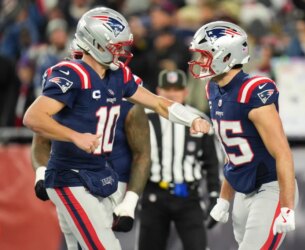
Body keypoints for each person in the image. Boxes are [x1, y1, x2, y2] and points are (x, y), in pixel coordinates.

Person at [23, 7, 210, 250]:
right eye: (115, 46)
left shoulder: (118, 75)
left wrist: (191, 120)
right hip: (69, 175)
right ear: (95, 43)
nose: (121, 52)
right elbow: (33, 117)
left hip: (102, 172)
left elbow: (158, 103)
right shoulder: (72, 74)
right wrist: (75, 136)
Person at [188, 21, 299, 249]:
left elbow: (283, 153)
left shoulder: (253, 90)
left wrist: (286, 207)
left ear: (226, 57)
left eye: (204, 55)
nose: (199, 62)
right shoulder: (213, 88)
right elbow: (234, 154)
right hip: (242, 190)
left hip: (270, 187)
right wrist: (224, 198)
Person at [138, 69, 221, 250]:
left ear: (185, 92)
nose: (172, 94)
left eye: (177, 89)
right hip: (154, 194)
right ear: (158, 91)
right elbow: (132, 158)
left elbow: (211, 163)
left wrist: (215, 195)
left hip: (188, 195)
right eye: (167, 89)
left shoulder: (199, 119)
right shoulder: (143, 118)